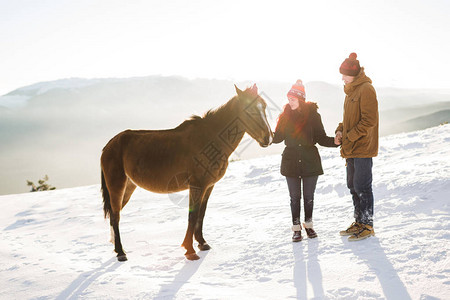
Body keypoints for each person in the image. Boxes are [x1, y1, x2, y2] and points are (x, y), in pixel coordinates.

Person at [273, 79, 339, 242]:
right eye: (288, 99)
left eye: (293, 99)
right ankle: (296, 229)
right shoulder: (285, 116)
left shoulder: (313, 116)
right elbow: (277, 137)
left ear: (301, 99)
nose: (290, 102)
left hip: (310, 160)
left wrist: (335, 142)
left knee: (309, 196)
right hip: (291, 161)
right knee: (294, 197)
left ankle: (308, 225)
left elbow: (321, 138)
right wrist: (265, 136)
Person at [334, 53, 379, 241]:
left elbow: (369, 120)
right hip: (351, 147)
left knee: (362, 186)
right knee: (352, 185)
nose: (342, 78)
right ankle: (359, 222)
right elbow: (348, 120)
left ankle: (367, 225)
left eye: (344, 75)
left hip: (362, 147)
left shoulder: (366, 89)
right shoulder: (351, 91)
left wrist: (350, 137)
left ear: (353, 74)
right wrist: (340, 131)